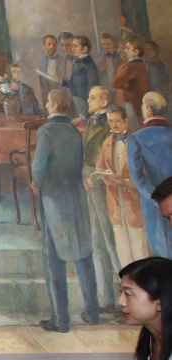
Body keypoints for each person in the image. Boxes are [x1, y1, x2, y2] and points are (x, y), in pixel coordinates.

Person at [32, 90, 100, 333]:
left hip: (53, 199)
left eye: (48, 101)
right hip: (76, 197)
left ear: (53, 105)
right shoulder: (74, 131)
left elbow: (38, 167)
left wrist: (36, 182)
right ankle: (92, 312)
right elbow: (79, 163)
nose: (47, 103)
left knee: (54, 260)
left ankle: (61, 320)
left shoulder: (46, 131)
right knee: (83, 254)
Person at [96, 105, 150, 267]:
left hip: (134, 204)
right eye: (110, 121)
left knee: (140, 248)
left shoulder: (137, 140)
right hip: (115, 204)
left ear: (126, 121)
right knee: (123, 250)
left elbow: (145, 174)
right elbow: (99, 167)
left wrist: (125, 183)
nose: (113, 125)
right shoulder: (107, 143)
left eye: (117, 121)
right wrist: (105, 176)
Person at [81, 87, 119, 313]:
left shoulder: (110, 123)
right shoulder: (93, 120)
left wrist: (92, 179)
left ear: (105, 101)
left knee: (110, 240)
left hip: (102, 185)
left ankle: (124, 299)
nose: (88, 100)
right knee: (97, 241)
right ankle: (106, 300)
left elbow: (111, 158)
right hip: (90, 184)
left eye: (93, 97)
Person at [127, 92, 172, 258]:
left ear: (149, 110)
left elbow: (138, 178)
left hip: (153, 205)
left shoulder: (136, 139)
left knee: (161, 255)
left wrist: (157, 201)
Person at [114, 36, 150, 128]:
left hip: (132, 102)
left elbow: (116, 83)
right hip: (139, 101)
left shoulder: (132, 67)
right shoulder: (141, 65)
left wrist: (126, 87)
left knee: (133, 127)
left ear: (136, 52)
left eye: (128, 48)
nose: (125, 51)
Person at [62, 36, 100, 119]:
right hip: (77, 101)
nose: (72, 49)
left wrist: (85, 114)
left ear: (85, 49)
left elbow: (92, 89)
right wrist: (61, 81)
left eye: (75, 46)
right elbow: (76, 84)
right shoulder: (77, 63)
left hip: (85, 104)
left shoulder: (89, 65)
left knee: (84, 127)